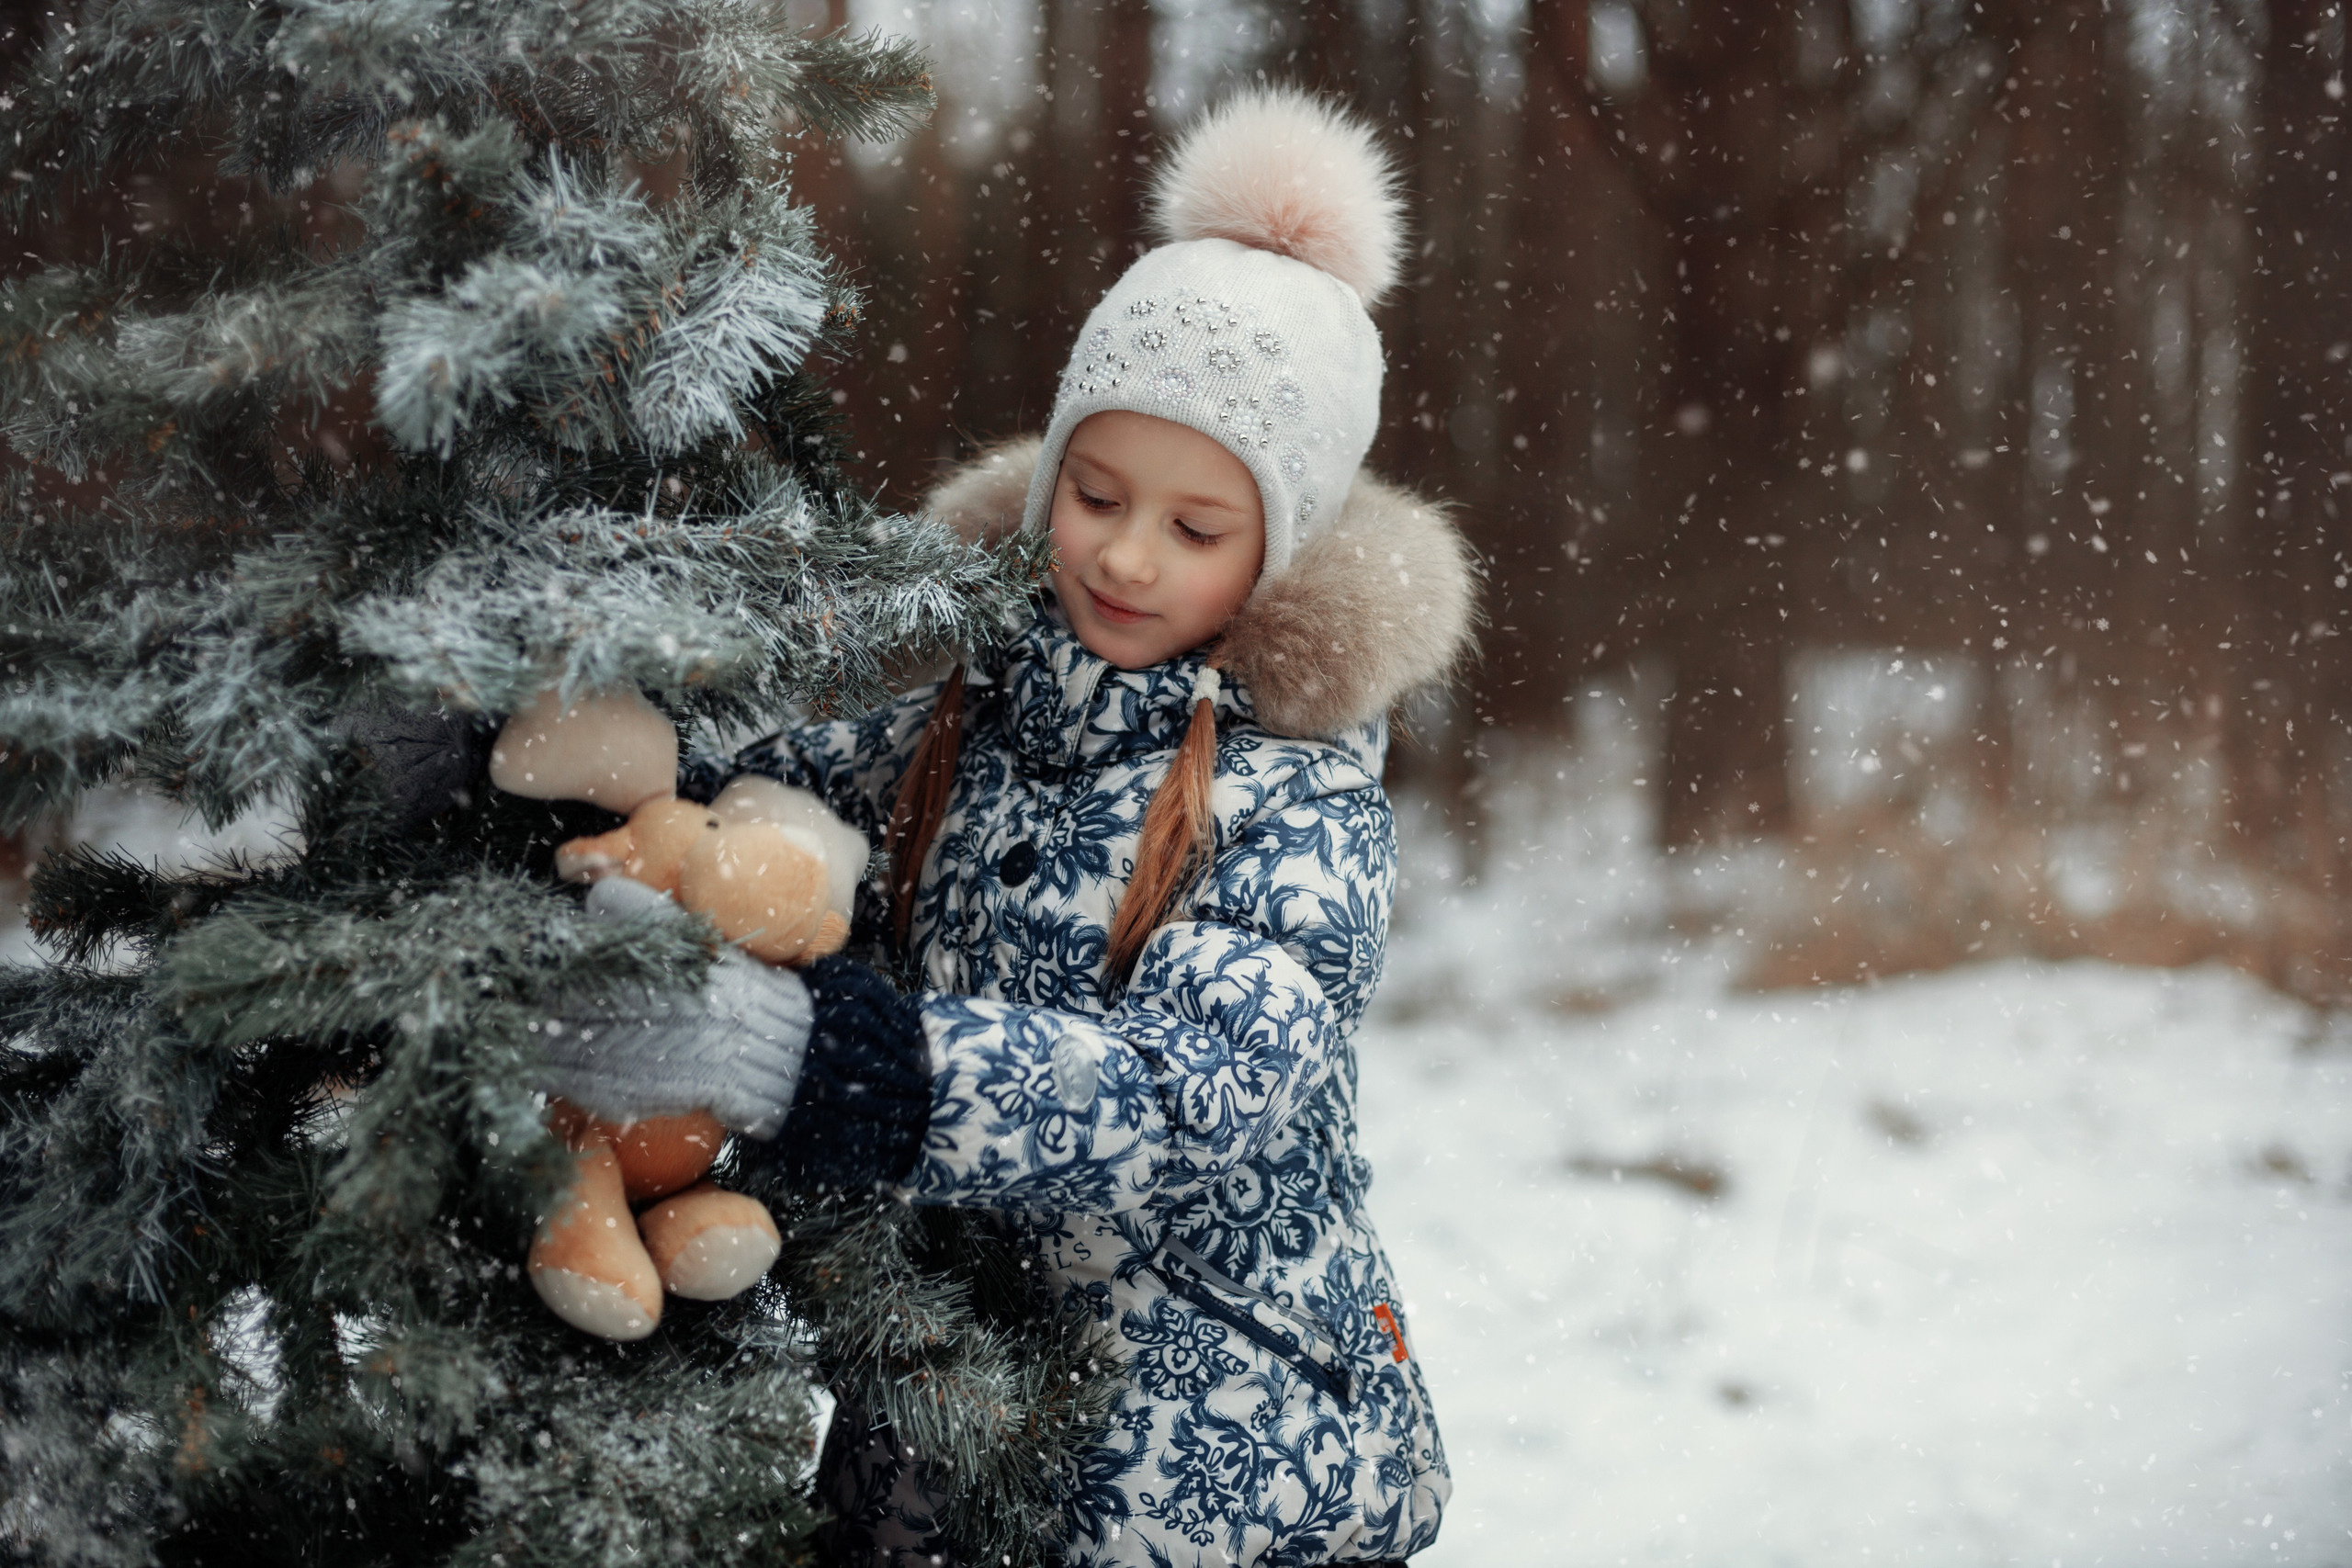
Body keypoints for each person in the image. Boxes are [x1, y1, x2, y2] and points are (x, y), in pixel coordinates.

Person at [540, 87, 1476, 1567]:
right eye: (1096, 493)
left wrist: (808, 1059)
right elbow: (732, 808)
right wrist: (540, 760)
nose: (1121, 552)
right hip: (935, 1473)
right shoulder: (957, 730)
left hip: (1221, 1489)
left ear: (1280, 556)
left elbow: (1189, 1092)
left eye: (1193, 526)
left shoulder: (1304, 808)